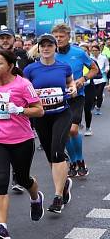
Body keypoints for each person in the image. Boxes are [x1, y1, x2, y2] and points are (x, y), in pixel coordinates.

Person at [0, 50, 45, 239]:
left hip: (21, 140)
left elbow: (39, 111)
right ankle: (2, 227)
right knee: (0, 180)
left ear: (10, 65)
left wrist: (20, 110)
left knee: (23, 178)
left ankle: (35, 197)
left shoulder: (23, 85)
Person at [24, 34, 77, 214]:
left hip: (62, 113)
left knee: (57, 152)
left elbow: (70, 81)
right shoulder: (30, 69)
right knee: (50, 156)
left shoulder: (64, 66)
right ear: (38, 48)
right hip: (41, 116)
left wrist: (73, 87)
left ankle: (57, 197)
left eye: (50, 46)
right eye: (43, 46)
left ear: (56, 48)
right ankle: (64, 184)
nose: (46, 49)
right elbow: (24, 90)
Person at [51, 24, 98, 178]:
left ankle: (80, 160)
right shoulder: (50, 54)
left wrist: (83, 79)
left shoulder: (78, 53)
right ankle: (73, 162)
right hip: (58, 97)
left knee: (72, 129)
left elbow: (94, 69)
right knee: (64, 133)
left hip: (77, 96)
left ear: (68, 37)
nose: (58, 39)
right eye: (56, 37)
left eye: (61, 36)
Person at [84, 43, 108, 135]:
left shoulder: (92, 61)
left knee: (87, 109)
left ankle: (88, 127)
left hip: (93, 84)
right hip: (77, 89)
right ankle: (76, 124)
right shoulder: (74, 62)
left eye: (85, 51)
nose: (83, 53)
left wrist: (88, 77)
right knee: (77, 109)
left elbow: (99, 74)